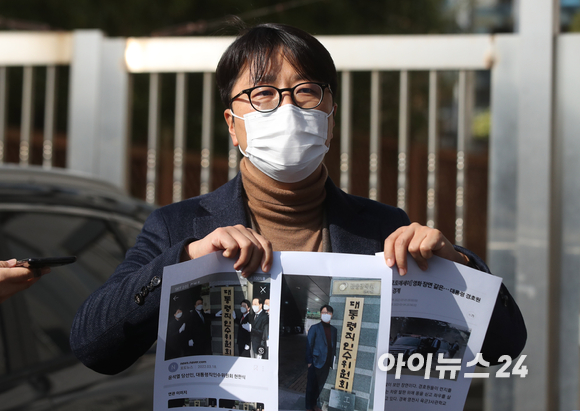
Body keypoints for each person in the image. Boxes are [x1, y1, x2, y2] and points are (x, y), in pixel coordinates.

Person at [70, 23, 526, 375]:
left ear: (330, 117)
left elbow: (502, 349)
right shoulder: (181, 227)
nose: (286, 108)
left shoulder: (383, 227)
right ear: (233, 125)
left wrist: (458, 266)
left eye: (306, 91)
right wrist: (186, 260)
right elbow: (94, 346)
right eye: (263, 94)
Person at [305, 305, 337, 411]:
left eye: (327, 313)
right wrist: (310, 362)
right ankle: (308, 407)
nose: (325, 315)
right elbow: (309, 345)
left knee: (320, 386)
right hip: (315, 362)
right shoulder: (315, 328)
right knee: (311, 387)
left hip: (326, 364)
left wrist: (333, 361)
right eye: (323, 313)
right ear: (320, 315)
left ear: (331, 315)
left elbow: (333, 346)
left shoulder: (334, 330)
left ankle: (314, 404)